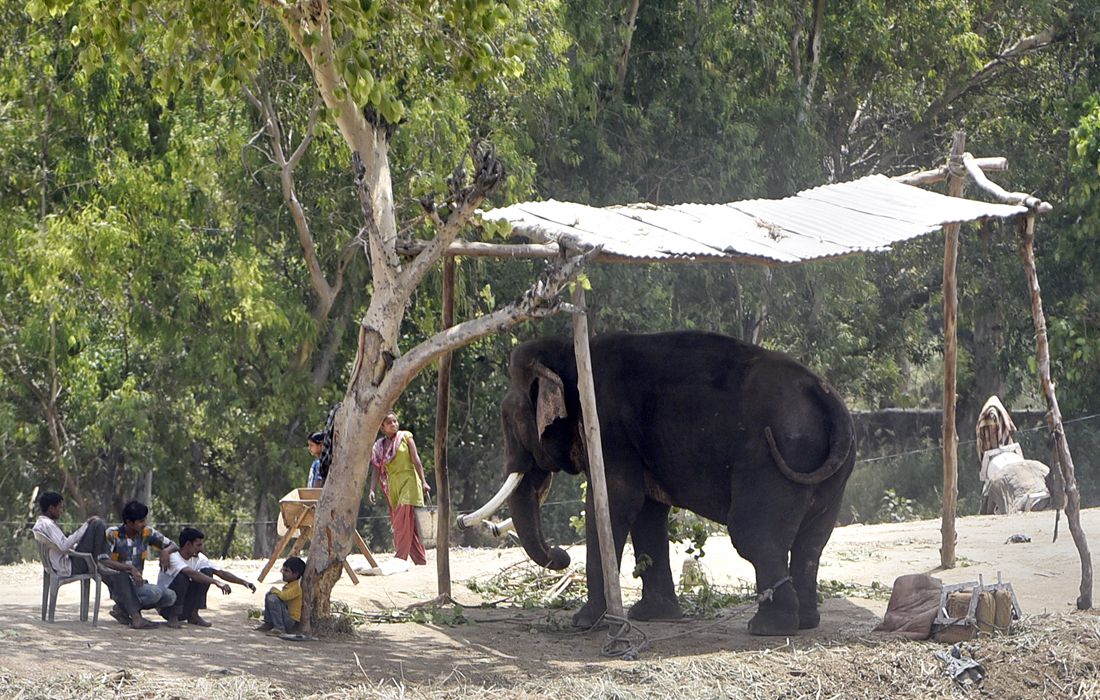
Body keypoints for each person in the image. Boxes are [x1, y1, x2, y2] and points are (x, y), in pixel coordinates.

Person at [156, 527, 256, 628]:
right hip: (166, 606)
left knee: (207, 571)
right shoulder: (173, 557)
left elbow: (220, 572)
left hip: (184, 606)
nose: (201, 548)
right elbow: (192, 574)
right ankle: (173, 617)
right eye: (198, 545)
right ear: (188, 545)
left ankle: (193, 614)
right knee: (183, 577)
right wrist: (216, 582)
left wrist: (243, 582)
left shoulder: (199, 558)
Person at [99, 501, 176, 629]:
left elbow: (172, 544)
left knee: (170, 596)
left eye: (144, 520)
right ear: (129, 522)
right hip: (119, 584)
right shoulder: (113, 534)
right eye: (140, 521)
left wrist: (165, 551)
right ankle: (135, 616)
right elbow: (103, 559)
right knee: (154, 593)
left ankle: (122, 609)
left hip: (138, 583)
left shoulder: (147, 533)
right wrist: (129, 568)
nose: (144, 523)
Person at [368, 412, 431, 566]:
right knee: (408, 524)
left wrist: (424, 481)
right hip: (393, 484)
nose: (394, 424)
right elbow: (376, 469)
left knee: (402, 518)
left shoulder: (405, 437)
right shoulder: (379, 446)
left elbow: (416, 460)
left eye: (395, 421)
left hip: (409, 479)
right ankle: (420, 559)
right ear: (382, 427)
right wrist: (372, 489)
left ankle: (400, 557)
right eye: (389, 423)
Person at [31, 491, 109, 576]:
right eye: (60, 508)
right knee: (97, 523)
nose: (61, 511)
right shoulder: (48, 525)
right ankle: (102, 561)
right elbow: (64, 546)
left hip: (61, 564)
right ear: (51, 508)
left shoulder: (41, 523)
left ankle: (100, 561)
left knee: (95, 524)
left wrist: (77, 545)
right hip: (69, 566)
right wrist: (86, 525)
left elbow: (60, 545)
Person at [255, 556, 305, 635]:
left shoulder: (297, 587)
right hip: (285, 616)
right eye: (283, 570)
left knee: (273, 599)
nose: (283, 572)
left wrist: (275, 590)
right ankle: (268, 623)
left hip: (290, 620)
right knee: (269, 595)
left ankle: (279, 628)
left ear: (295, 574)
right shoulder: (290, 585)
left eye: (286, 571)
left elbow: (284, 596)